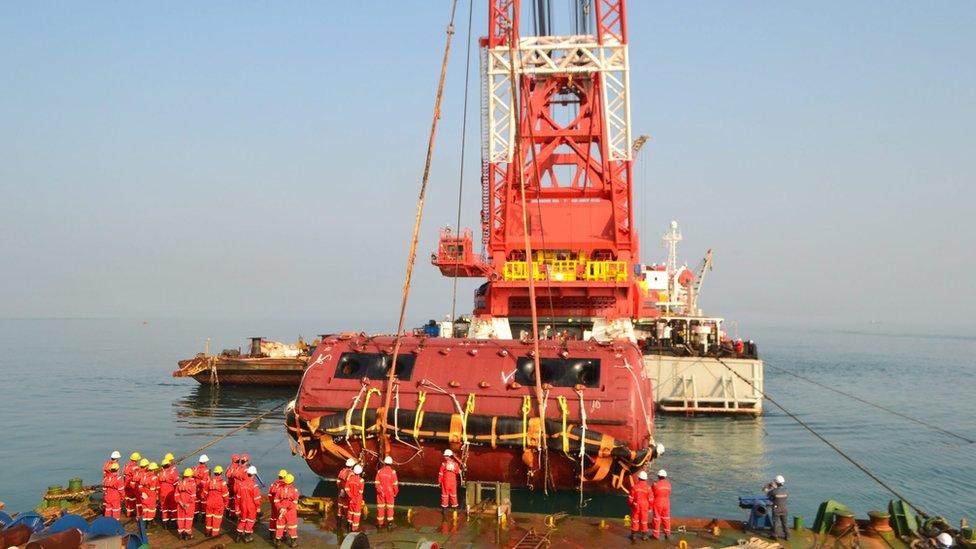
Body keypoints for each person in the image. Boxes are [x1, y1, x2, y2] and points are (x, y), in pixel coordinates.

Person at [235, 465, 262, 543]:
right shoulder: (254, 486)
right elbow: (257, 499)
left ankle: (238, 536)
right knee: (250, 521)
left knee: (242, 520)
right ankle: (247, 537)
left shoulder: (241, 484)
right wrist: (258, 507)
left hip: (242, 505)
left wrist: (237, 508)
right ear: (253, 475)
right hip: (251, 507)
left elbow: (238, 497)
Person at [273, 474, 300, 547]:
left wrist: (280, 508)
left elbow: (276, 500)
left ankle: (278, 542)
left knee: (280, 526)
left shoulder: (279, 489)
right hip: (290, 512)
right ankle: (293, 543)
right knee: (292, 526)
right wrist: (287, 509)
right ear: (292, 482)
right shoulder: (294, 490)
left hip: (281, 510)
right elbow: (295, 502)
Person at [203, 465, 229, 537]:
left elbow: (204, 493)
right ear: (221, 473)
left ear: (214, 473)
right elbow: (225, 495)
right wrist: (226, 503)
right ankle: (214, 534)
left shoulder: (209, 481)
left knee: (209, 517)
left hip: (209, 502)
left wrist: (207, 499)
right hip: (218, 504)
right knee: (217, 519)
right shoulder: (222, 483)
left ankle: (208, 532)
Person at [628, 470, 653, 541]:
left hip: (636, 506)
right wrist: (650, 507)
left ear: (638, 478)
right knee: (644, 520)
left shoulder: (634, 487)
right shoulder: (648, 488)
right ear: (646, 479)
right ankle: (644, 536)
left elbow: (630, 498)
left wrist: (631, 505)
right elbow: (651, 499)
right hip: (644, 506)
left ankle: (633, 535)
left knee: (635, 520)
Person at [375, 456, 399, 529]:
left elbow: (376, 483)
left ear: (384, 463)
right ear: (391, 464)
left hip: (381, 492)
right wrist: (395, 493)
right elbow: (395, 484)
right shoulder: (392, 472)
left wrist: (379, 491)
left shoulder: (379, 471)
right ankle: (390, 524)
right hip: (390, 492)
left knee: (380, 508)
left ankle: (380, 524)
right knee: (390, 508)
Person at [438, 449, 462, 517]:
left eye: (446, 456)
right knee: (453, 495)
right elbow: (457, 472)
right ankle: (455, 510)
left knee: (445, 495)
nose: (445, 457)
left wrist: (439, 482)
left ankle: (444, 510)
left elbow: (440, 474)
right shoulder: (455, 464)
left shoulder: (443, 464)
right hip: (453, 482)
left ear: (449, 456)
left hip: (445, 482)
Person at [175, 468, 197, 540]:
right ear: (190, 475)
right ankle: (188, 534)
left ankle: (181, 534)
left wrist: (180, 503)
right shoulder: (193, 483)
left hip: (180, 504)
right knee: (188, 519)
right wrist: (188, 504)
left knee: (181, 519)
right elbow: (193, 495)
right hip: (189, 505)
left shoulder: (179, 483)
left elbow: (176, 494)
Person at [158, 456, 179, 529]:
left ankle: (165, 523)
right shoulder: (172, 471)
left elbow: (158, 483)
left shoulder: (160, 472)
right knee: (173, 507)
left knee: (164, 507)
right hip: (170, 491)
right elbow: (176, 482)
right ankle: (173, 523)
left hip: (162, 491)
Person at [766, 475, 789, 540]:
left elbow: (768, 495)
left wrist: (772, 487)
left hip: (777, 509)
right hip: (784, 509)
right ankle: (787, 536)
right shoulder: (786, 491)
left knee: (776, 522)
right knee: (785, 523)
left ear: (776, 483)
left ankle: (775, 536)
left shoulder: (774, 491)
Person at [651, 469, 672, 540]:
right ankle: (667, 534)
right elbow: (669, 493)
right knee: (666, 518)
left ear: (658, 476)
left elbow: (652, 492)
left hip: (658, 502)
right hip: (666, 502)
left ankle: (656, 535)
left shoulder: (655, 484)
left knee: (656, 518)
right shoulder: (669, 484)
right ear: (665, 476)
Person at [344, 464, 365, 532]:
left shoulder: (349, 479)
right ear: (360, 472)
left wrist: (350, 496)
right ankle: (354, 529)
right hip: (357, 500)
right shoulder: (361, 480)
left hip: (350, 499)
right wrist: (356, 498)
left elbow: (346, 488)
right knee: (356, 514)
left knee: (350, 512)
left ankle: (349, 524)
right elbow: (360, 492)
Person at [336, 458, 356, 529]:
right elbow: (350, 484)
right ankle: (348, 526)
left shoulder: (342, 471)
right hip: (346, 493)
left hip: (340, 491)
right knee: (347, 509)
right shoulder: (351, 473)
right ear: (352, 466)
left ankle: (338, 524)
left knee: (339, 508)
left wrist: (340, 489)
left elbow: (338, 481)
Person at [268, 469, 288, 538]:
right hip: (282, 505)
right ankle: (283, 535)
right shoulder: (285, 485)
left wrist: (272, 503)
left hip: (274, 504)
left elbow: (270, 495)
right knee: (282, 519)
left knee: (273, 517)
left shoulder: (273, 484)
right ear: (285, 477)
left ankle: (271, 534)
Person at [123, 452, 142, 517]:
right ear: (136, 459)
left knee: (127, 498)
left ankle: (128, 512)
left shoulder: (126, 465)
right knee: (132, 498)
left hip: (126, 483)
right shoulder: (135, 467)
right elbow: (136, 477)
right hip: (131, 484)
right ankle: (131, 513)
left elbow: (124, 475)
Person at [194, 454, 211, 522]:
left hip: (195, 488)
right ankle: (203, 519)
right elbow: (204, 481)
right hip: (202, 488)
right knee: (203, 502)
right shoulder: (206, 470)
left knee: (196, 502)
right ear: (205, 461)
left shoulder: (195, 468)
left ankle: (195, 518)